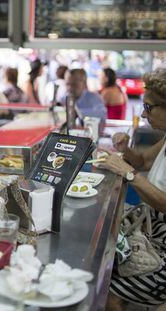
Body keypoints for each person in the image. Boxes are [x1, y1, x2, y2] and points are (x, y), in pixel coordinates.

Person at [103, 69, 166, 310]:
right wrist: (125, 149)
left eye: (149, 107)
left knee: (102, 283)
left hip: (162, 246)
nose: (143, 113)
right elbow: (143, 162)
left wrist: (127, 173)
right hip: (151, 230)